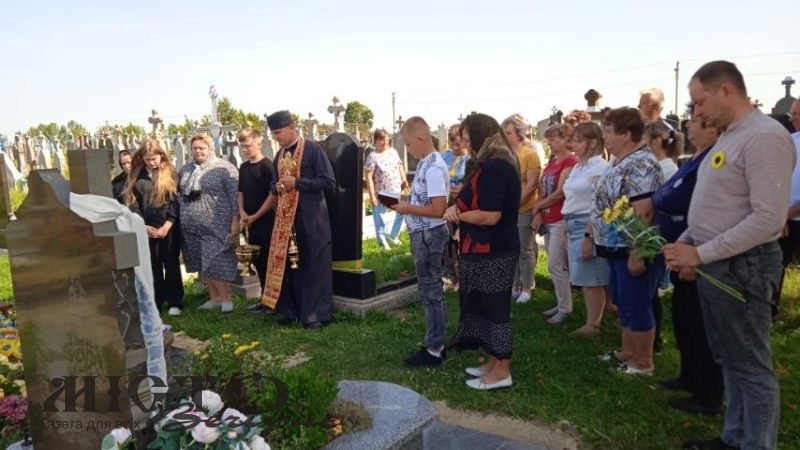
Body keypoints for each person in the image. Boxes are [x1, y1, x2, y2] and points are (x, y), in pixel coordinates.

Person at [664, 60, 796, 450]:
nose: (696, 113)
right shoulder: (729, 136)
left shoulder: (764, 137)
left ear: (726, 91)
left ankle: (755, 443)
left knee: (751, 365)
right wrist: (686, 245)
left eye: (699, 102)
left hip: (746, 267)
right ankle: (734, 437)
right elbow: (713, 205)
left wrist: (699, 254)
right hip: (718, 264)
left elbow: (768, 219)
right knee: (729, 357)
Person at [653, 112, 724, 416]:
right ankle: (688, 375)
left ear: (710, 128)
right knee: (683, 318)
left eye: (695, 122)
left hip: (699, 254)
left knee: (699, 322)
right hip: (681, 249)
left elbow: (703, 205)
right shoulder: (695, 158)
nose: (688, 128)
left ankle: (707, 394)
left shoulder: (715, 157)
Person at [445, 113, 520, 390]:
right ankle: (492, 361)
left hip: (495, 249)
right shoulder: (488, 163)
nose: (465, 145)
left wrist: (458, 216)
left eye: (468, 139)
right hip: (483, 248)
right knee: (485, 307)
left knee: (496, 309)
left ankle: (502, 371)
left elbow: (490, 215)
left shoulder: (496, 167)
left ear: (481, 136)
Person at [591, 107, 664, 375]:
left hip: (631, 248)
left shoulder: (642, 164)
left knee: (637, 303)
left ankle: (642, 362)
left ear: (627, 134)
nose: (606, 137)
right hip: (615, 246)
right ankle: (627, 352)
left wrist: (637, 253)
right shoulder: (621, 160)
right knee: (624, 301)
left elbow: (643, 212)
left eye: (610, 131)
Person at [261, 111, 336, 330]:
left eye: (278, 132)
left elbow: (328, 181)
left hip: (311, 218)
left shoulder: (312, 149)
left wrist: (297, 182)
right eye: (273, 133)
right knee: (291, 264)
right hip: (286, 220)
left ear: (292, 128)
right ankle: (292, 310)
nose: (276, 137)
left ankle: (315, 315)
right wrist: (276, 186)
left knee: (314, 262)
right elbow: (273, 184)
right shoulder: (279, 155)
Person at [392, 116, 449, 367]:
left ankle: (434, 349)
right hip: (423, 234)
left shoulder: (435, 166)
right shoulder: (428, 163)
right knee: (430, 291)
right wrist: (406, 199)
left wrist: (408, 209)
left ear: (421, 138)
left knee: (431, 292)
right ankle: (436, 343)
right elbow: (426, 200)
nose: (408, 149)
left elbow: (438, 209)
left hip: (429, 235)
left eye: (408, 144)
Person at [178, 134, 240, 313]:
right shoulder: (186, 169)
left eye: (201, 148)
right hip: (191, 226)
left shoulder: (223, 167)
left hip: (217, 223)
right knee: (204, 262)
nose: (198, 151)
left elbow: (235, 196)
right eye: (195, 148)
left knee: (217, 259)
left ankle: (226, 299)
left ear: (210, 149)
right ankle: (214, 299)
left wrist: (236, 221)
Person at [562, 122, 610, 336]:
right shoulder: (578, 167)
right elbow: (571, 196)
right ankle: (594, 318)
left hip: (586, 223)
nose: (574, 144)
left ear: (593, 143)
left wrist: (589, 235)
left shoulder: (600, 168)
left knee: (591, 276)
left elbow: (599, 204)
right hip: (572, 222)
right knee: (584, 274)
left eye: (579, 140)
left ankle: (594, 324)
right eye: (573, 139)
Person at [125, 140, 184, 316]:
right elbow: (133, 203)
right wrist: (142, 226)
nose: (152, 162)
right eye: (148, 159)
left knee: (171, 263)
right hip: (146, 227)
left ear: (161, 155)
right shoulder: (136, 176)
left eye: (154, 158)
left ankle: (175, 301)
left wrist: (167, 225)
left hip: (168, 227)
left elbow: (175, 202)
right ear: (142, 158)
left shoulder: (170, 173)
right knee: (153, 265)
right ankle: (156, 300)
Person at [534, 124, 578, 323]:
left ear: (565, 139)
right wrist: (539, 212)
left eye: (553, 138)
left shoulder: (570, 160)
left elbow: (560, 192)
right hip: (548, 217)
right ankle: (562, 303)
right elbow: (543, 188)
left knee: (556, 265)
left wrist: (537, 207)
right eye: (548, 139)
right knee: (555, 265)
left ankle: (565, 308)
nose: (549, 143)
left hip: (560, 218)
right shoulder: (552, 160)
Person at [236, 127, 277, 315]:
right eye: (242, 147)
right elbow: (241, 192)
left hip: (265, 220)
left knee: (268, 260)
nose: (245, 150)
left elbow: (273, 196)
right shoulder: (243, 168)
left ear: (259, 144)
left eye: (248, 146)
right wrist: (242, 212)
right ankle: (263, 298)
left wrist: (256, 216)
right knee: (257, 262)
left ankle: (273, 300)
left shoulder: (267, 167)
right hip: (249, 221)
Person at [502, 114, 542, 305]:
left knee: (524, 250)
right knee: (511, 249)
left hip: (523, 209)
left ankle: (527, 287)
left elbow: (532, 184)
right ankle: (515, 285)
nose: (505, 136)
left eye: (508, 133)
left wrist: (514, 204)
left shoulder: (529, 155)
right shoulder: (504, 156)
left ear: (519, 133)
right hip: (506, 211)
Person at [776, 98, 800, 313]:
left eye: (796, 113)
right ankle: (770, 313)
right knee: (776, 266)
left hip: (790, 215)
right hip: (787, 220)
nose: (791, 117)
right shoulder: (790, 140)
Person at [365, 128, 406, 248]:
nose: (385, 142)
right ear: (376, 140)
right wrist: (372, 195)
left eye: (387, 140)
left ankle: (393, 235)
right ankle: (383, 243)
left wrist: (404, 179)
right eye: (382, 140)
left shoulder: (393, 152)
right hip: (381, 193)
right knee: (380, 219)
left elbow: (400, 166)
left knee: (402, 212)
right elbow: (368, 176)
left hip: (396, 190)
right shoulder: (373, 156)